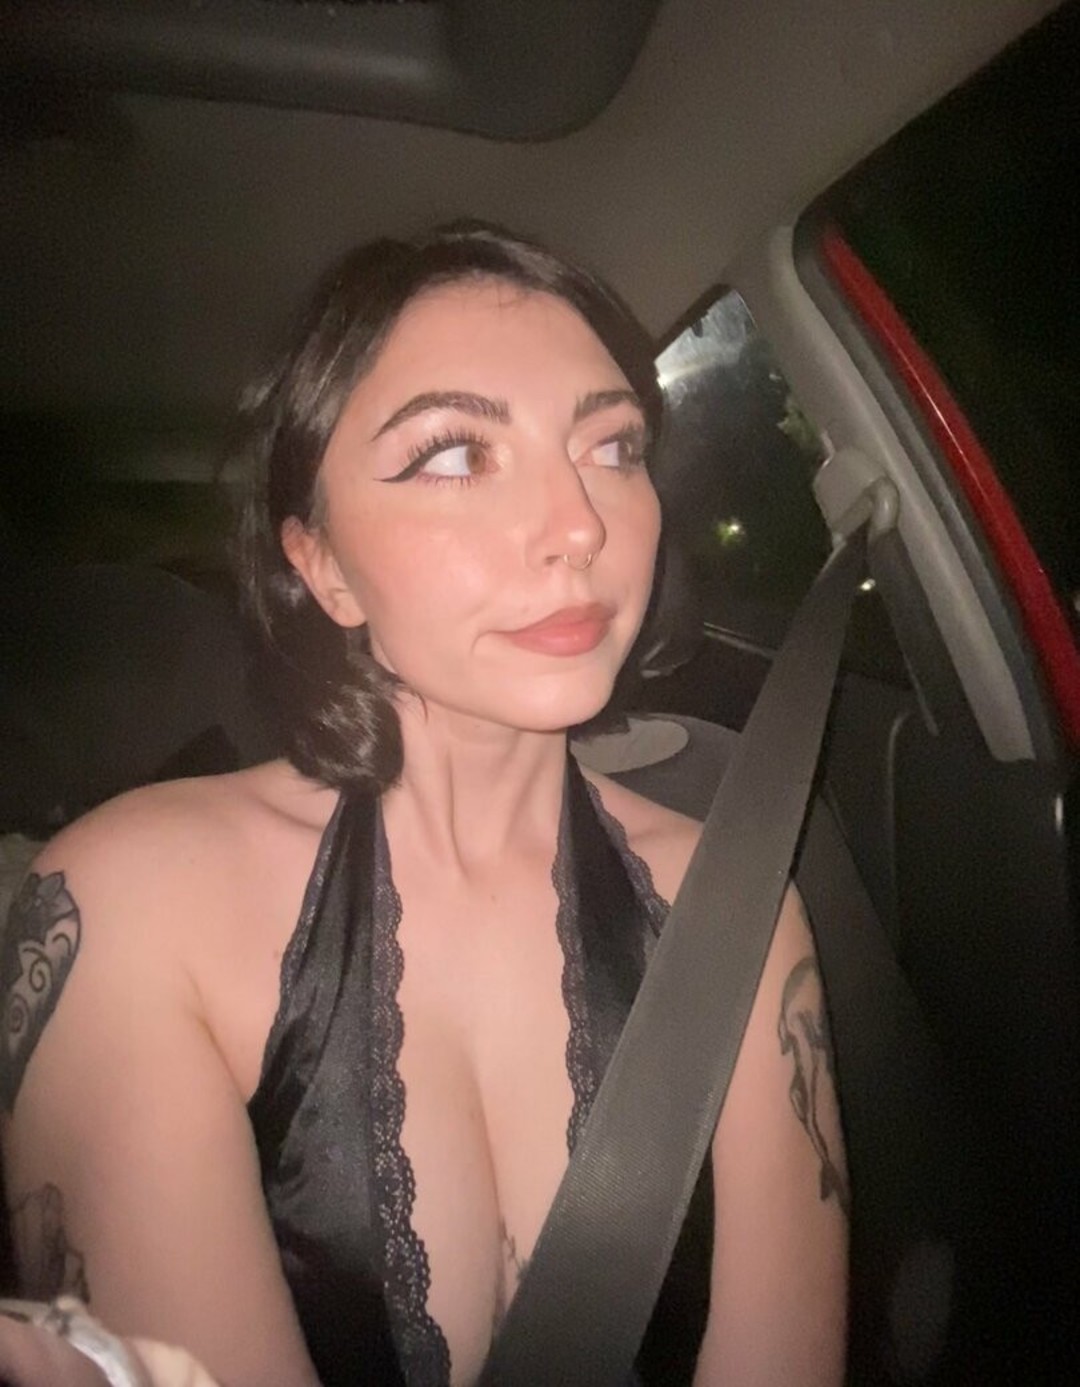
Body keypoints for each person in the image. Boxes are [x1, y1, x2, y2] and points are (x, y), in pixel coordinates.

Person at [0, 223, 848, 1386]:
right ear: (322, 565)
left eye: (612, 446)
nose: (580, 525)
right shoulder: (130, 908)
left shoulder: (739, 908)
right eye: (453, 455)